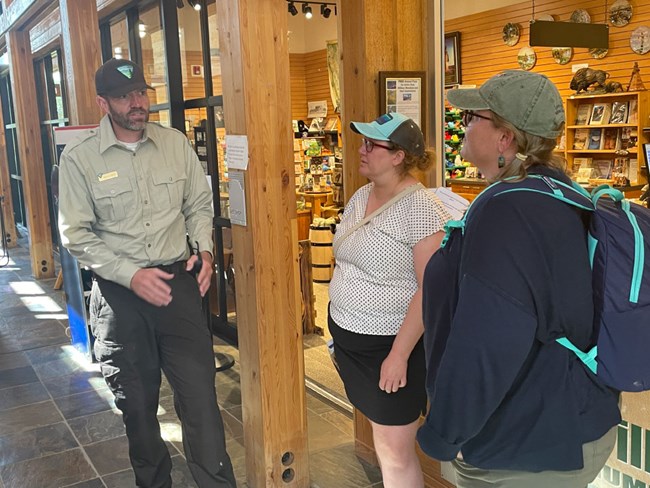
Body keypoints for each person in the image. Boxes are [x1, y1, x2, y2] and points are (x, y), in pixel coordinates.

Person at [417, 70, 621, 487]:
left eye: (472, 117)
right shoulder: (558, 191)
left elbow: (488, 340)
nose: (464, 127)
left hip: (524, 446)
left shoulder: (507, 211)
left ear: (504, 138)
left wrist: (444, 432)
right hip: (573, 419)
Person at [58, 58, 236, 488]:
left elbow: (197, 204)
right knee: (137, 409)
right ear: (104, 103)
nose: (137, 103)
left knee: (201, 401)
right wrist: (130, 275)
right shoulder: (80, 161)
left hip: (179, 289)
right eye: (124, 96)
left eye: (141, 92)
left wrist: (205, 251)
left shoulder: (174, 144)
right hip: (121, 298)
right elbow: (75, 233)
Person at [328, 112, 451, 487]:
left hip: (391, 348)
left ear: (398, 156)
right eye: (362, 142)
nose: (361, 151)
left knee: (395, 452)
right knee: (384, 444)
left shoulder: (421, 209)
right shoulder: (361, 195)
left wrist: (398, 355)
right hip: (351, 341)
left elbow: (429, 290)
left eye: (372, 145)